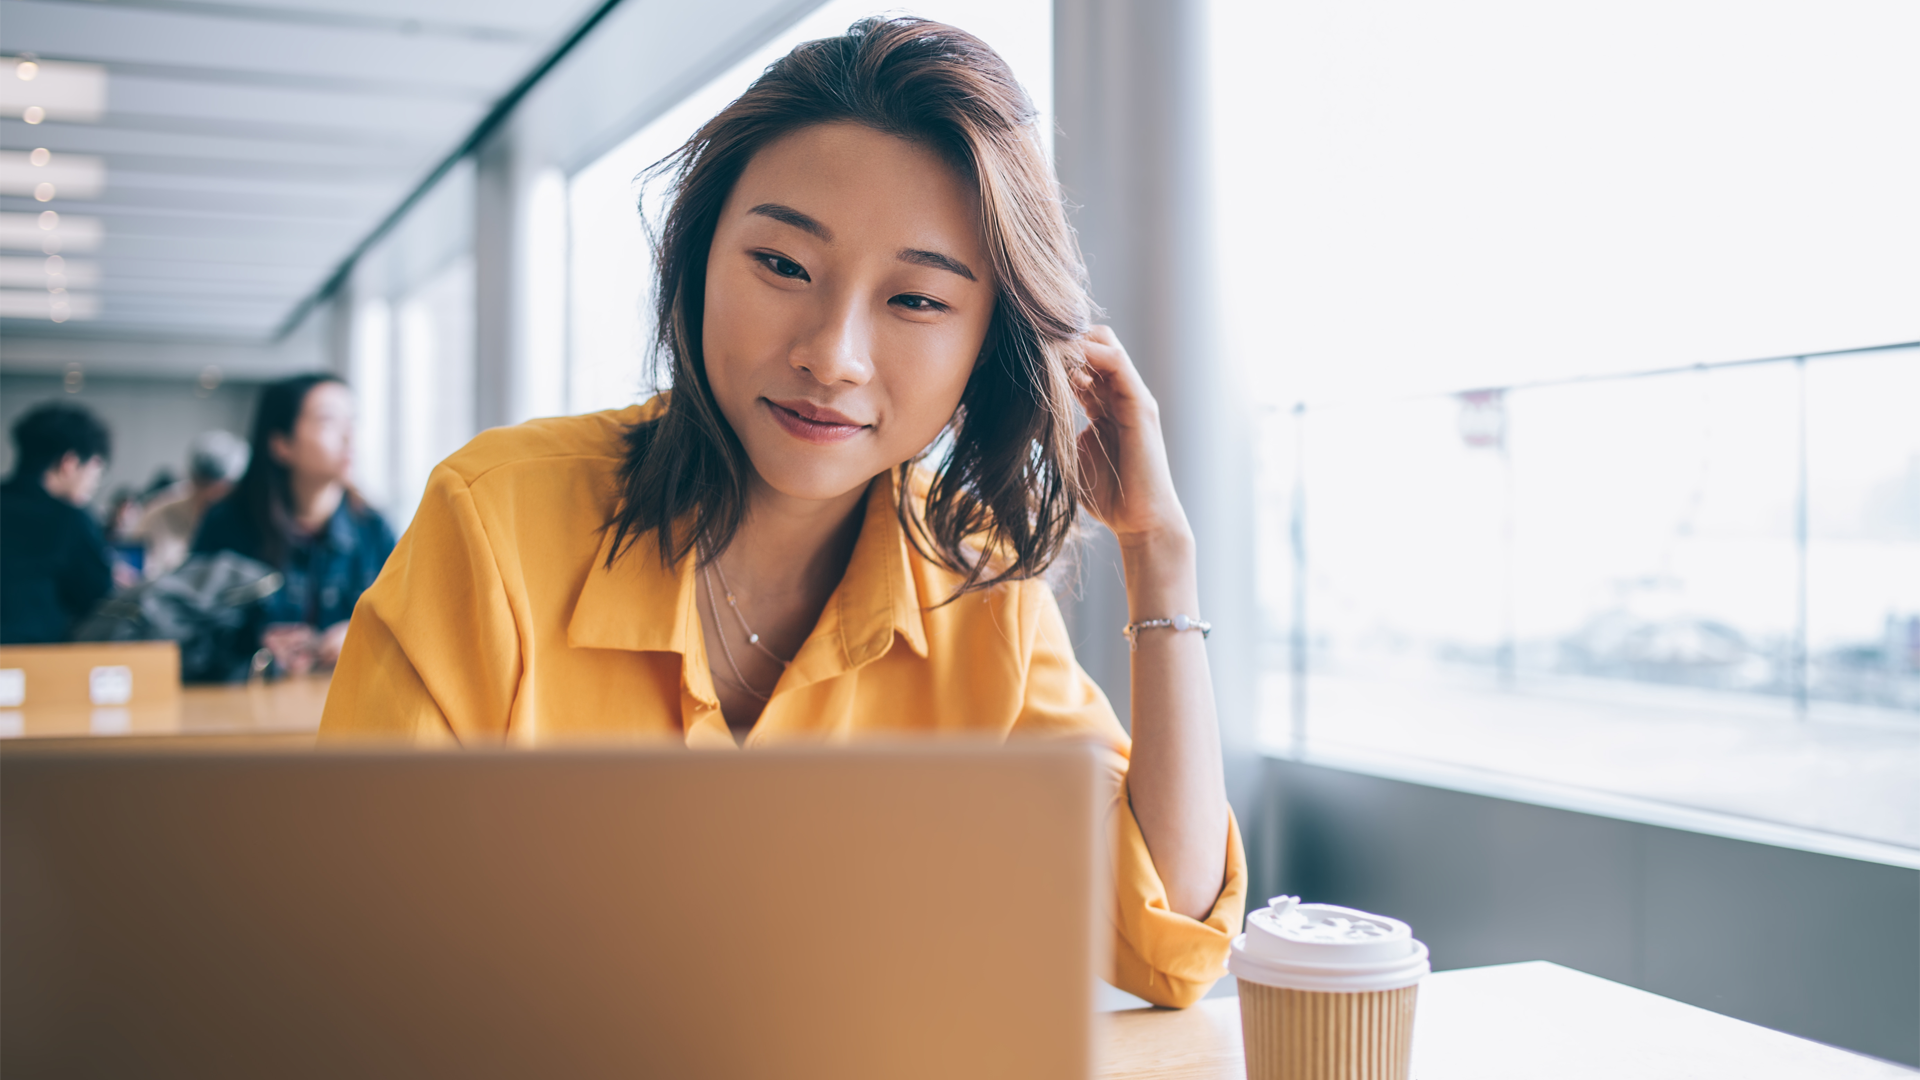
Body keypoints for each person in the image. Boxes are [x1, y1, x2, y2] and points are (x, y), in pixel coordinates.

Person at [321, 18, 1245, 1008]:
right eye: (784, 266)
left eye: (918, 301)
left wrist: (1159, 551)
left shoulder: (974, 583)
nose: (833, 353)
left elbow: (1166, 943)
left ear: (992, 344)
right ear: (700, 257)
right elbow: (344, 939)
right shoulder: (496, 520)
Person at [192, 374, 394, 677]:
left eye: (352, 421)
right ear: (281, 444)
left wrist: (360, 635)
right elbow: (191, 632)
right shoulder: (228, 523)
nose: (349, 437)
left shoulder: (372, 528)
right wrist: (255, 649)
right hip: (248, 710)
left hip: (345, 709)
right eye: (329, 422)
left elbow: (407, 622)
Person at [0, 402, 114, 644]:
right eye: (96, 469)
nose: (94, 484)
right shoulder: (70, 519)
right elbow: (98, 598)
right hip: (34, 666)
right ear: (69, 463)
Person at [140, 429, 250, 579]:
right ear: (192, 479)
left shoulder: (241, 522)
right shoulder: (159, 514)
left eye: (220, 491)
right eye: (202, 486)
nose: (210, 497)